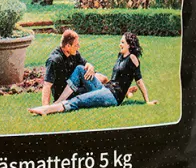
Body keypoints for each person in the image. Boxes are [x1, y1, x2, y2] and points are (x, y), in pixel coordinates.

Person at [29, 32, 157, 115]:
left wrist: (147, 101)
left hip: (112, 96)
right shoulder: (120, 56)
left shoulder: (133, 58)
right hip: (106, 89)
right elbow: (119, 78)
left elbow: (139, 81)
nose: (120, 44)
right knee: (80, 69)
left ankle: (48, 110)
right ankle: (58, 102)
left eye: (123, 42)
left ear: (130, 45)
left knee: (78, 100)